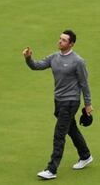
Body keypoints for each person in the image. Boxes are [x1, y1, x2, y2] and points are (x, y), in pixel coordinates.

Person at [23, 30, 93, 181]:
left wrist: (88, 104)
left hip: (71, 101)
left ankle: (51, 169)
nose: (60, 41)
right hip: (59, 101)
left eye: (64, 40)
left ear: (71, 44)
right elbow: (36, 66)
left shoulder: (78, 61)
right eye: (60, 39)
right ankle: (85, 155)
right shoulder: (54, 57)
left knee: (59, 134)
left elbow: (84, 83)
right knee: (71, 128)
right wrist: (28, 58)